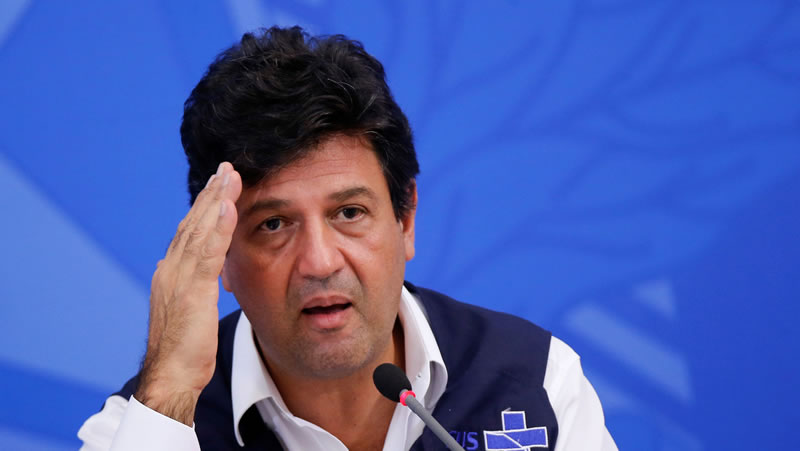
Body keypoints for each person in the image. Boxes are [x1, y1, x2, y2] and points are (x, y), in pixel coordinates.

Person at [78, 26, 617, 451]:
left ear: (405, 220)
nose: (319, 262)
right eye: (273, 224)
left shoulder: (537, 381)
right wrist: (171, 389)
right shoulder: (140, 426)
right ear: (219, 254)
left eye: (349, 213)